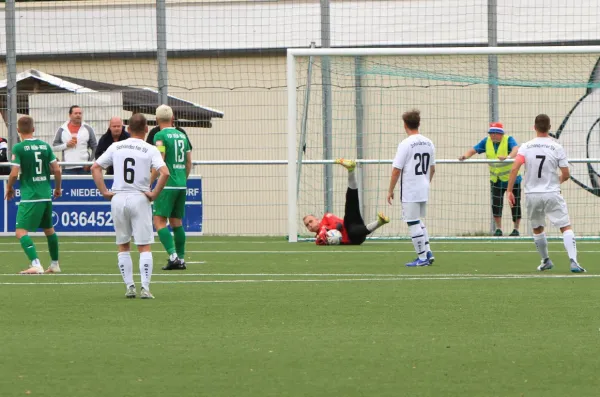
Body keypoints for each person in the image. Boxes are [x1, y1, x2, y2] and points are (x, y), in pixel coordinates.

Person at [91, 113, 170, 299]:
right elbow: (164, 172)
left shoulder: (116, 146)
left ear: (127, 129)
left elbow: (95, 167)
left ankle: (129, 287)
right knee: (143, 246)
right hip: (139, 197)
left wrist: (104, 191)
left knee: (123, 245)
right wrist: (154, 193)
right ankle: (145, 287)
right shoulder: (150, 149)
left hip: (118, 197)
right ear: (146, 129)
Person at [507, 114, 586, 273]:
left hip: (532, 194)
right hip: (551, 193)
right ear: (549, 128)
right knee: (565, 226)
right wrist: (558, 180)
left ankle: (545, 260)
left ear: (534, 128)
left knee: (537, 227)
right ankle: (573, 261)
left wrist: (509, 190)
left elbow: (515, 168)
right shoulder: (556, 147)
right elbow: (566, 173)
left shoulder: (526, 147)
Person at [4, 116, 62, 274]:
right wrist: (57, 188)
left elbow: (14, 173)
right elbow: (57, 169)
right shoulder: (45, 146)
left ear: (18, 131)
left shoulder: (19, 148)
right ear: (34, 129)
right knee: (49, 229)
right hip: (45, 194)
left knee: (20, 231)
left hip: (30, 196)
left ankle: (36, 264)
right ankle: (55, 264)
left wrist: (9, 188)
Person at [387, 109, 435, 267]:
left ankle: (422, 258)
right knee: (418, 221)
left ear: (405, 125)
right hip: (423, 186)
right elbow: (432, 168)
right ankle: (427, 251)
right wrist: (426, 183)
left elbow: (396, 169)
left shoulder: (405, 144)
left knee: (412, 222)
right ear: (418, 123)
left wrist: (390, 190)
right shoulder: (429, 142)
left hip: (411, 189)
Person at [303, 159, 390, 245]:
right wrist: (323, 238)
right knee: (352, 232)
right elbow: (322, 242)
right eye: (307, 225)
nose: (310, 225)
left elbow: (339, 226)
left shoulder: (326, 218)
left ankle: (350, 170)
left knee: (350, 205)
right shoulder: (319, 239)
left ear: (317, 219)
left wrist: (326, 230)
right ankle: (380, 222)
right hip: (355, 240)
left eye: (311, 221)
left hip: (352, 224)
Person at [459, 122, 522, 236]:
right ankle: (498, 229)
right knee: (496, 205)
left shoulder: (508, 140)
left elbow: (516, 149)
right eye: (491, 133)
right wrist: (465, 156)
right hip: (496, 179)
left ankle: (516, 229)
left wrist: (508, 157)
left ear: (501, 134)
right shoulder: (486, 141)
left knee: (515, 204)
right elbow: (474, 149)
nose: (493, 135)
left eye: (495, 133)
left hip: (512, 180)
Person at [151, 105, 193, 270]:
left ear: (156, 119)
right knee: (177, 222)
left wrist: (150, 181)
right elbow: (189, 161)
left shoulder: (159, 136)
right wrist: (183, 178)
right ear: (172, 118)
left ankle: (173, 256)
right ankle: (181, 259)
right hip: (181, 184)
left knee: (159, 220)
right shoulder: (182, 135)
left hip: (167, 184)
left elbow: (159, 160)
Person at [52, 105, 97, 174]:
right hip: (67, 168)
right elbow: (54, 147)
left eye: (80, 113)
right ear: (70, 115)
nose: (78, 115)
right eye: (76, 113)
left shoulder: (88, 129)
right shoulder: (62, 129)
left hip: (84, 168)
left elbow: (95, 147)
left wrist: (90, 163)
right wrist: (66, 145)